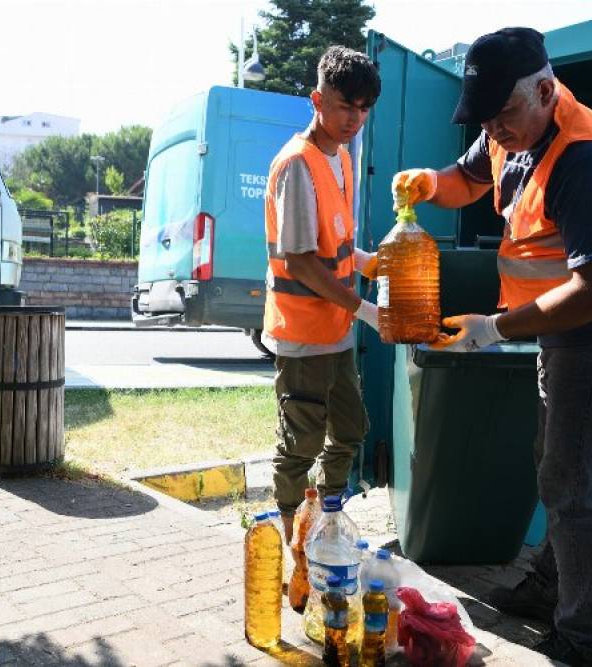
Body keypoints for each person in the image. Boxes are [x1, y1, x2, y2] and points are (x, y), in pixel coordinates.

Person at [393, 28, 592, 667]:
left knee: (575, 489)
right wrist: (429, 184)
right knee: (560, 468)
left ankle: (582, 641)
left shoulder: (590, 159)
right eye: (485, 118)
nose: (494, 130)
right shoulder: (510, 125)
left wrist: (492, 328)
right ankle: (553, 586)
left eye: (503, 115)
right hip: (563, 333)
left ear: (546, 90)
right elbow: (467, 177)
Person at [263, 46, 382, 544]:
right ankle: (293, 532)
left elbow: (333, 244)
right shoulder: (297, 164)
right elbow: (300, 261)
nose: (353, 118)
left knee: (351, 430)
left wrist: (367, 262)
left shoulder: (342, 157)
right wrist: (367, 310)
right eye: (343, 106)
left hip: (335, 331)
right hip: (303, 333)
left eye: (362, 108)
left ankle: (327, 517)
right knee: (301, 443)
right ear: (317, 99)